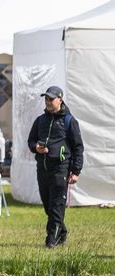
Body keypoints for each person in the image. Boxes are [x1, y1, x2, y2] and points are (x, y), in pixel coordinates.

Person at [27, 85, 83, 248]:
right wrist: (36, 147)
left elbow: (78, 147)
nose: (48, 102)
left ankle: (51, 240)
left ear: (60, 100)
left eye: (51, 99)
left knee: (56, 206)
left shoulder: (69, 121)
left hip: (61, 169)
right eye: (46, 99)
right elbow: (31, 141)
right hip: (42, 169)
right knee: (48, 206)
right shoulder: (40, 120)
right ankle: (62, 232)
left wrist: (75, 171)